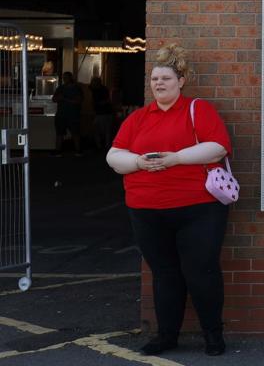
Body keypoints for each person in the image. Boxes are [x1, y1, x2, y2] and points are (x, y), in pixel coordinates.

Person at [106, 44, 232, 357]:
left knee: (201, 271)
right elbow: (114, 155)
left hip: (198, 209)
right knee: (163, 274)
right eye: (154, 79)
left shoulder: (198, 110)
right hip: (147, 210)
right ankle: (166, 337)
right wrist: (138, 163)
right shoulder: (138, 118)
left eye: (165, 78)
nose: (159, 84)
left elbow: (218, 148)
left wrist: (174, 158)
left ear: (181, 81)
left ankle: (213, 336)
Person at [52, 71, 82, 156]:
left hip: (73, 115)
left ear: (70, 78)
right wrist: (59, 98)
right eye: (63, 77)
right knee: (59, 133)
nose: (64, 79)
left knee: (75, 133)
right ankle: (58, 151)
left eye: (66, 77)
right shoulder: (60, 88)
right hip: (61, 115)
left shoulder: (76, 88)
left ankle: (78, 150)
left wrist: (64, 98)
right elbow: (54, 99)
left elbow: (78, 101)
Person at [90, 76, 114, 150]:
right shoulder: (96, 90)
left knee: (104, 130)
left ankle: (103, 145)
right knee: (103, 130)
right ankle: (102, 145)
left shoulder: (101, 90)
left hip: (104, 113)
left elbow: (106, 101)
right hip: (101, 113)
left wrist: (98, 104)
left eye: (94, 82)